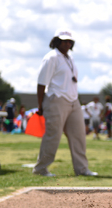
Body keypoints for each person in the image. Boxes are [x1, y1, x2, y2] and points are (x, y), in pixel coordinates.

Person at [32, 29, 97, 177]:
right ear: (57, 41)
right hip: (56, 99)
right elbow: (42, 83)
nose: (67, 43)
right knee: (53, 136)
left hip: (74, 100)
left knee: (79, 135)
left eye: (69, 41)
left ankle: (82, 169)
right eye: (64, 41)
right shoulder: (51, 57)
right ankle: (41, 168)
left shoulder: (70, 58)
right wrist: (40, 104)